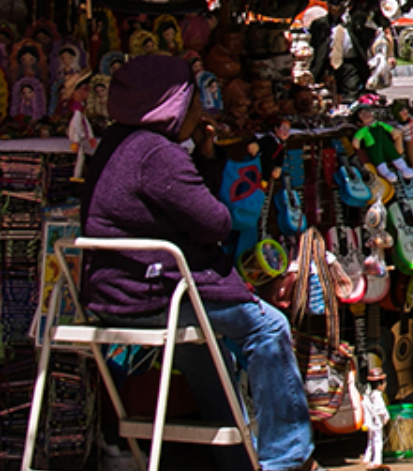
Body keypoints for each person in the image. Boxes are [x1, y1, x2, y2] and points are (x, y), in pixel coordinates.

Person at [80, 56, 316, 471]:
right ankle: (288, 458)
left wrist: (203, 158)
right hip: (153, 297)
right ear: (172, 104)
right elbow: (216, 223)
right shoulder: (156, 153)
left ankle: (238, 462)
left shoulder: (115, 143)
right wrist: (206, 162)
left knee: (205, 352)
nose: (199, 111)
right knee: (269, 326)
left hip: (113, 292)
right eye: (192, 101)